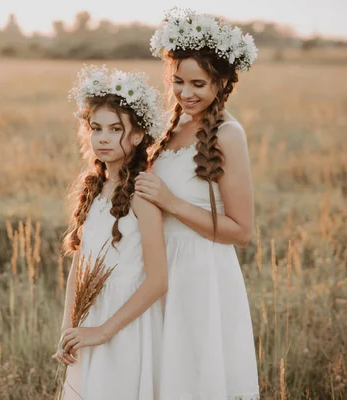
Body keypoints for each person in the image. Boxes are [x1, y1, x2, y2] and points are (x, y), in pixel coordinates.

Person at [134, 8, 260, 399]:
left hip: (199, 272)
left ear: (221, 83)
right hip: (156, 268)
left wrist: (171, 202)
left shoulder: (228, 134)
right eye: (178, 81)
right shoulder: (171, 125)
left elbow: (241, 232)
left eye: (198, 84)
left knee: (192, 376)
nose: (186, 93)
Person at [53, 65, 168, 399]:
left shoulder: (143, 193)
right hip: (90, 316)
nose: (103, 137)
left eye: (115, 129)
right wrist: (68, 327)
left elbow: (158, 281)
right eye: (96, 128)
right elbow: (80, 265)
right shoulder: (94, 187)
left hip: (125, 321)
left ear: (137, 135)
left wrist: (103, 331)